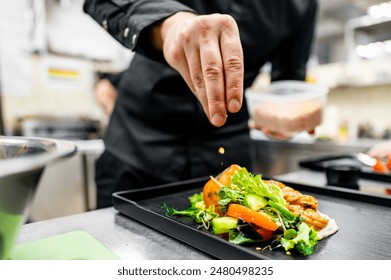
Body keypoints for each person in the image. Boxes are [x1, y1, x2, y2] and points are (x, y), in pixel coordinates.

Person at [83, 0, 320, 208]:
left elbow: (288, 83)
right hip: (137, 142)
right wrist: (171, 24)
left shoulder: (303, 3)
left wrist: (284, 115)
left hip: (227, 149)